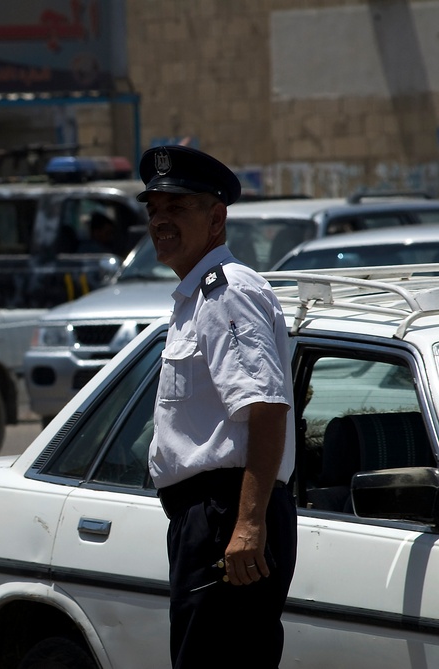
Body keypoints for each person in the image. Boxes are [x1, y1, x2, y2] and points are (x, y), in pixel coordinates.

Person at [140, 145, 297, 669]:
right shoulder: (196, 299)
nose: (160, 220)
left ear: (216, 217)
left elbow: (267, 409)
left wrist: (248, 524)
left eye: (176, 208)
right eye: (153, 209)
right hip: (206, 519)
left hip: (226, 514)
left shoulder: (226, 294)